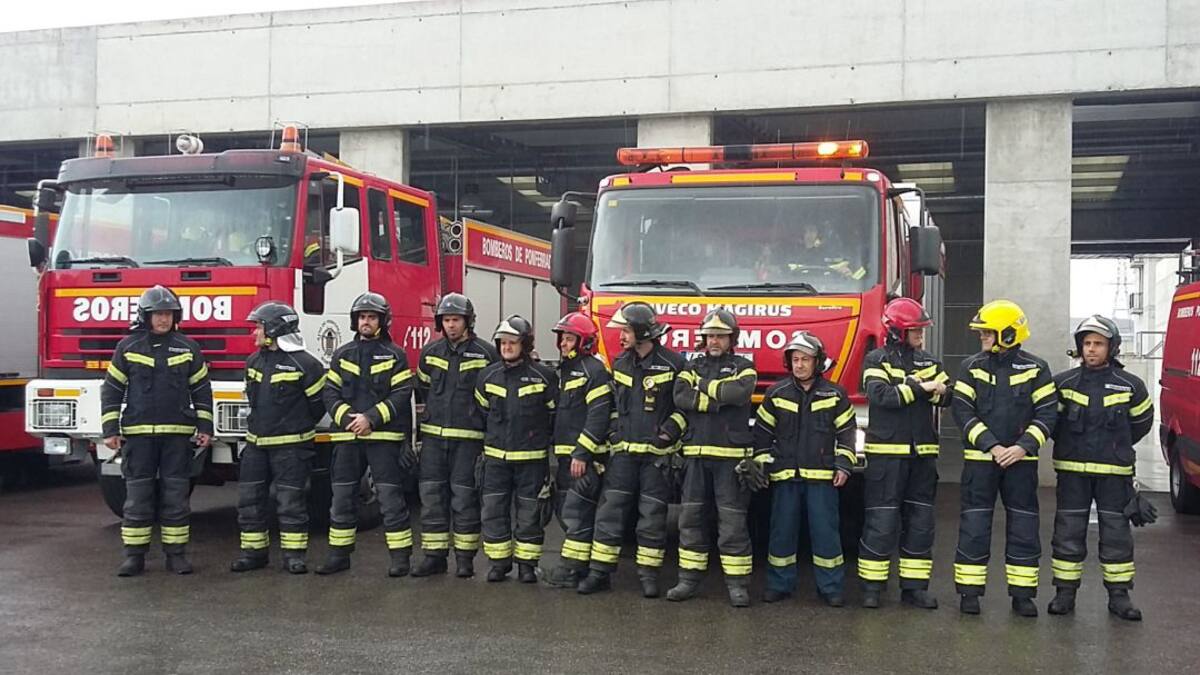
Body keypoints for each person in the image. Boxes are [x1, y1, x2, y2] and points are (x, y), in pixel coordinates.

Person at [951, 300, 1058, 616]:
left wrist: (1023, 447)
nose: (983, 337)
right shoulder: (970, 367)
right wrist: (993, 446)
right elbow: (961, 410)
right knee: (974, 526)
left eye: (988, 332)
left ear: (1009, 334)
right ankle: (969, 595)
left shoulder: (1036, 369)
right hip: (981, 463)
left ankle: (1023, 596)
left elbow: (1048, 413)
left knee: (1024, 528)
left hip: (1021, 465)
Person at [1048, 315, 1155, 621]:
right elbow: (1051, 423)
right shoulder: (1063, 383)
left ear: (1112, 347)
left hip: (1114, 474)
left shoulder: (1131, 385)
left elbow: (1141, 424)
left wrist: (1116, 448)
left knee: (1117, 534)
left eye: (1098, 344)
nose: (1091, 349)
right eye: (1087, 343)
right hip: (1072, 472)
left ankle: (1119, 596)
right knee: (1068, 532)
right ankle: (1064, 593)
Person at [101, 285, 213, 577]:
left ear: (176, 316)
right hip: (137, 436)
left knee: (176, 498)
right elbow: (112, 390)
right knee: (138, 497)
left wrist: (205, 427)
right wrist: (110, 429)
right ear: (145, 316)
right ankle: (134, 557)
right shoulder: (127, 347)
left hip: (177, 437)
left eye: (167, 314)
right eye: (157, 314)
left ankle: (176, 555)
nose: (162, 319)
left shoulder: (188, 348)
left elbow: (201, 390)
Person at [576, 302, 686, 598]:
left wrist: (668, 433)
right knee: (610, 514)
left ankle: (648, 576)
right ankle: (599, 573)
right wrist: (613, 431)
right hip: (622, 455)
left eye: (625, 331)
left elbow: (684, 409)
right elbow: (613, 405)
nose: (621, 337)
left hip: (657, 458)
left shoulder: (674, 364)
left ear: (642, 332)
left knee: (652, 517)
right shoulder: (621, 363)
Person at [857, 298, 950, 609]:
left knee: (920, 524)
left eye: (921, 332)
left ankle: (914, 589)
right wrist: (921, 388)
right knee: (881, 524)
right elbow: (881, 396)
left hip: (922, 457)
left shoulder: (929, 361)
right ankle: (872, 588)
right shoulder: (875, 360)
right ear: (897, 331)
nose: (921, 337)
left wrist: (925, 388)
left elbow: (946, 395)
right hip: (886, 457)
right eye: (915, 332)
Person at [316, 292, 417, 577]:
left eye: (372, 317)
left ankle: (400, 558)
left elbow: (400, 394)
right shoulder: (343, 354)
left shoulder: (395, 355)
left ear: (383, 321)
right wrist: (350, 420)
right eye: (362, 317)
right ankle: (339, 555)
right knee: (342, 498)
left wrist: (370, 419)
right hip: (348, 439)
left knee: (390, 500)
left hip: (383, 440)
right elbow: (330, 392)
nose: (366, 322)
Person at [753, 332, 857, 606]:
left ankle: (831, 588)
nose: (799, 365)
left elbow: (847, 433)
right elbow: (762, 435)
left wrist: (844, 465)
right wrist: (762, 467)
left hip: (822, 479)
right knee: (781, 533)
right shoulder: (776, 393)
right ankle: (779, 584)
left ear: (818, 362)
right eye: (795, 360)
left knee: (826, 535)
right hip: (785, 476)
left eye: (805, 359)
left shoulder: (835, 394)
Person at [668, 309, 758, 607]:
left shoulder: (745, 367)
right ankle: (688, 580)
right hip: (694, 457)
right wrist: (718, 399)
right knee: (690, 520)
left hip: (730, 460)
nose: (714, 341)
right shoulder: (691, 366)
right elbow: (680, 397)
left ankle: (737, 585)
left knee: (732, 523)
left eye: (720, 335)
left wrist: (703, 390)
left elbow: (740, 393)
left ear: (732, 339)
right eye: (710, 336)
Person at [231, 302, 327, 574]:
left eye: (259, 327)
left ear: (275, 329)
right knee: (249, 502)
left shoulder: (307, 364)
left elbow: (317, 406)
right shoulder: (254, 361)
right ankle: (253, 554)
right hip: (256, 446)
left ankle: (294, 557)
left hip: (292, 449)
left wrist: (294, 428)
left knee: (291, 504)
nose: (255, 333)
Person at [410, 293, 498, 579]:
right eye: (446, 320)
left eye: (456, 320)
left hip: (468, 441)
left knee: (464, 499)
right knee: (432, 498)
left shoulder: (485, 353)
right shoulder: (431, 353)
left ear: (468, 322)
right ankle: (434, 557)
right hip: (434, 440)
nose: (451, 325)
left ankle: (464, 559)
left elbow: (494, 397)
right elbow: (422, 387)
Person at [474, 315, 559, 583]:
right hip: (496, 460)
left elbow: (554, 415)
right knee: (493, 511)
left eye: (513, 342)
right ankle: (499, 564)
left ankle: (526, 565)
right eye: (503, 342)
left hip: (531, 461)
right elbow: (481, 412)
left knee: (530, 513)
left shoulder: (544, 376)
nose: (507, 347)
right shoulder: (487, 376)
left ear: (525, 344)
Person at [543, 312, 613, 589]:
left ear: (584, 342)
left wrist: (582, 454)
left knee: (577, 513)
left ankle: (572, 570)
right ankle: (581, 568)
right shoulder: (567, 371)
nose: (563, 343)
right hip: (566, 457)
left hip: (582, 459)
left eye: (569, 338)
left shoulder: (592, 371)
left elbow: (598, 415)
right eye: (562, 338)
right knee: (567, 511)